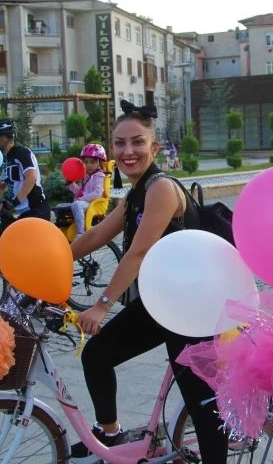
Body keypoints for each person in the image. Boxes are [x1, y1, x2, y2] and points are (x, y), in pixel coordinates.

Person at [69, 100, 228, 462]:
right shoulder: (134, 194)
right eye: (120, 143)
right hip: (162, 302)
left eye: (137, 142)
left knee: (200, 402)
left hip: (193, 308)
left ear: (154, 148)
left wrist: (101, 304)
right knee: (97, 354)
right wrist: (53, 262)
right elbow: (95, 236)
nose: (128, 151)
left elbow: (137, 254)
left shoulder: (160, 189)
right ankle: (111, 434)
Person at [0, 118, 50, 231]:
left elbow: (31, 177)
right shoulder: (7, 159)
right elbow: (1, 185)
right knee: (4, 235)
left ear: (3, 139)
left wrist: (15, 201)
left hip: (35, 211)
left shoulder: (22, 153)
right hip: (22, 213)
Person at [66, 143, 108, 238]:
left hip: (93, 203)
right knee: (60, 207)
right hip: (85, 202)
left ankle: (80, 233)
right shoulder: (86, 176)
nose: (88, 165)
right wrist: (71, 184)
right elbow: (80, 193)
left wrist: (81, 199)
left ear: (99, 163)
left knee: (77, 204)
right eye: (86, 162)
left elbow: (97, 193)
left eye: (92, 162)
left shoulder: (99, 175)